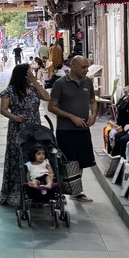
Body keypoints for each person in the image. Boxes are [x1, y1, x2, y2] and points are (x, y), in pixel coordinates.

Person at [0, 63, 51, 205]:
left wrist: (36, 82)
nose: (32, 75)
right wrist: (15, 117)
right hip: (18, 129)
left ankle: (35, 188)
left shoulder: (34, 89)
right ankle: (15, 191)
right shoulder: (9, 91)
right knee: (17, 157)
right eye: (29, 73)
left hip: (35, 129)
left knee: (34, 157)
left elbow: (47, 97)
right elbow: (3, 110)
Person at [48, 55, 97, 202]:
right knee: (67, 161)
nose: (86, 70)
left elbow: (93, 101)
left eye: (87, 67)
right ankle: (60, 192)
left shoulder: (88, 82)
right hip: (66, 130)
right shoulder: (60, 83)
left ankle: (76, 191)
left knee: (81, 161)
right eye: (83, 67)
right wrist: (71, 117)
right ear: (73, 67)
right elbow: (52, 107)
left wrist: (93, 114)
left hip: (83, 129)